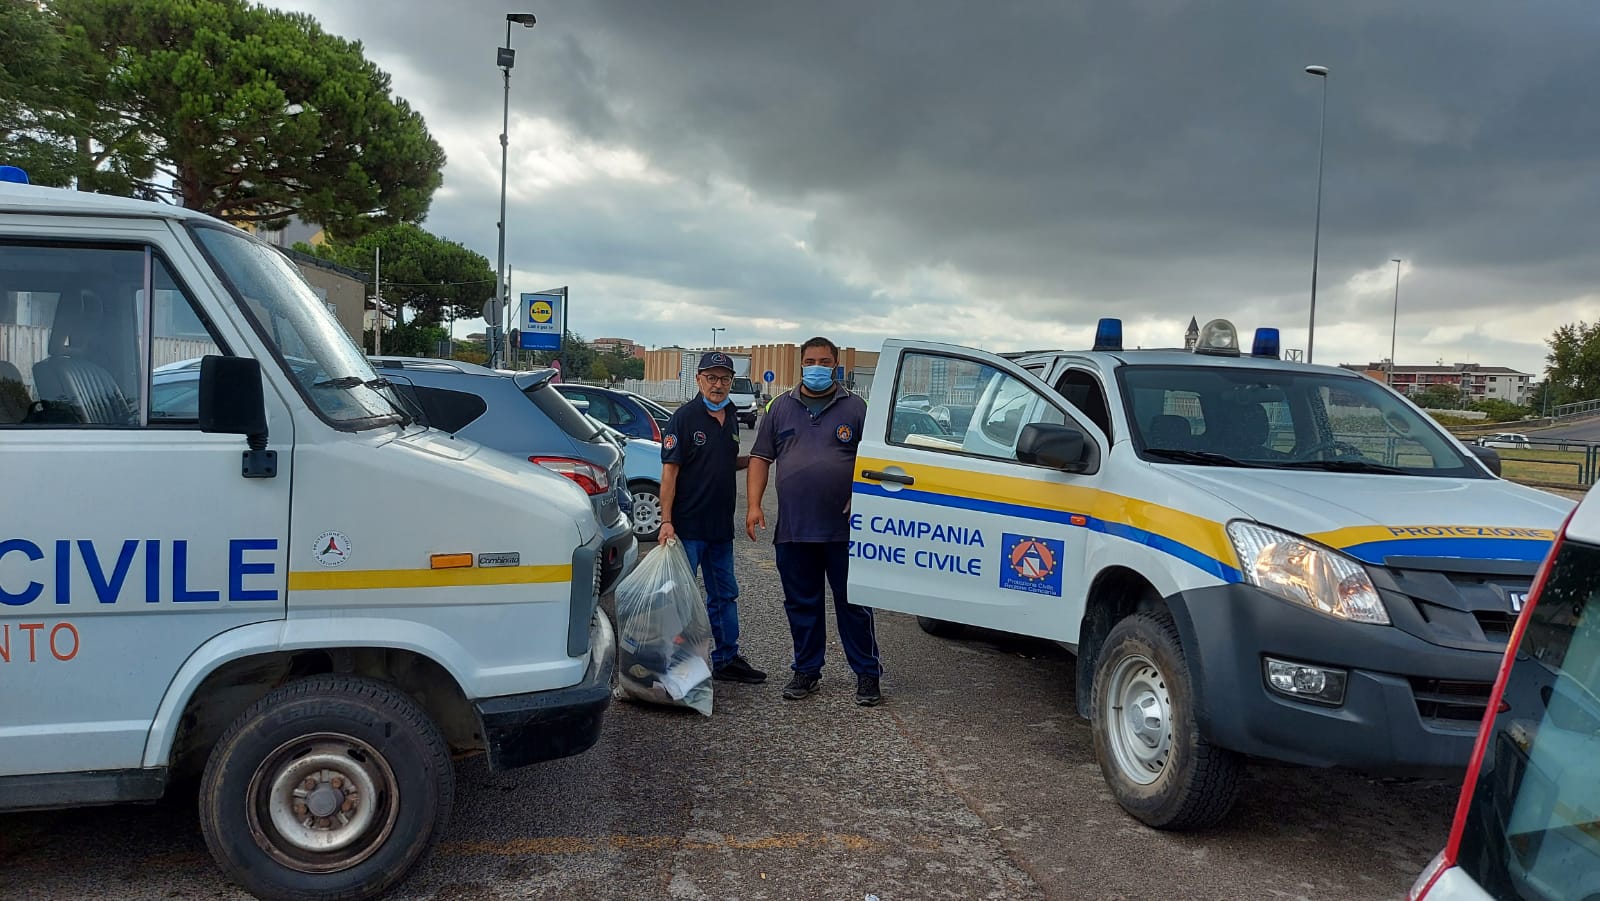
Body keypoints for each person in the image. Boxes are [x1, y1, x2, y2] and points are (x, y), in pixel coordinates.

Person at [746, 337, 883, 706]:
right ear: (801, 365)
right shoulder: (780, 408)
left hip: (845, 530)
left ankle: (867, 675)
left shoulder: (857, 408)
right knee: (801, 604)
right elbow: (760, 458)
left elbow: (874, 463)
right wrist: (754, 505)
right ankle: (807, 670)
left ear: (836, 366)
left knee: (854, 605)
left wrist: (863, 492)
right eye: (811, 361)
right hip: (794, 528)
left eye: (825, 361)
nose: (817, 367)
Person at [659, 351, 767, 685]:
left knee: (724, 595)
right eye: (711, 378)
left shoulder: (732, 415)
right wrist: (665, 521)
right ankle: (676, 663)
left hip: (721, 527)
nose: (717, 385)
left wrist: (753, 460)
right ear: (698, 380)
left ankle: (726, 658)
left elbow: (723, 459)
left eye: (723, 379)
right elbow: (670, 474)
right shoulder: (685, 418)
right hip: (688, 527)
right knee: (682, 599)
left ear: (731, 382)